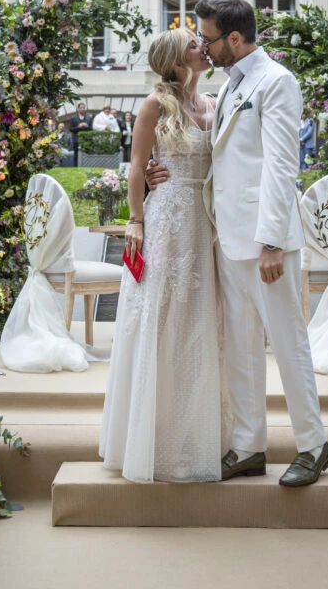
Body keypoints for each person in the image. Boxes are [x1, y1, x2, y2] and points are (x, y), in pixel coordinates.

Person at [147, 0, 328, 486]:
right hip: (225, 237)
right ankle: (249, 446)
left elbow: (281, 166)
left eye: (207, 39)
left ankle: (313, 445)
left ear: (233, 38)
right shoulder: (228, 85)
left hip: (266, 242)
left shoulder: (276, 81)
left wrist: (271, 241)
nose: (202, 48)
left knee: (287, 342)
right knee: (241, 346)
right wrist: (157, 173)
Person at [100, 28, 221, 483]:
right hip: (167, 220)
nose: (202, 47)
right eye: (193, 43)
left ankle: (195, 435)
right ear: (174, 60)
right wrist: (135, 220)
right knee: (161, 318)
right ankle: (150, 439)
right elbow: (137, 165)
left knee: (197, 322)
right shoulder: (155, 104)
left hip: (206, 222)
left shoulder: (214, 104)